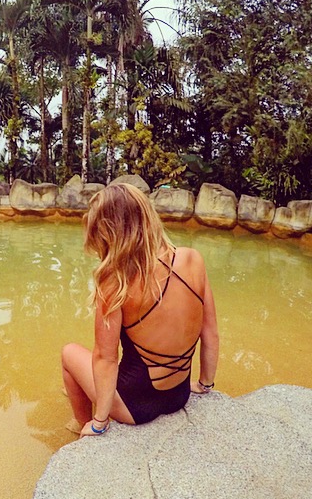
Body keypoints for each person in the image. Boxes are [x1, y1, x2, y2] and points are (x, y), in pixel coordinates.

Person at [61, 183, 219, 437]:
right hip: (179, 395)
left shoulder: (117, 282)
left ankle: (81, 423)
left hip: (134, 406)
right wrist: (205, 384)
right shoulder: (193, 259)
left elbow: (105, 358)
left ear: (107, 232)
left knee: (69, 353)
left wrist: (100, 422)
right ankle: (89, 397)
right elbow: (209, 331)